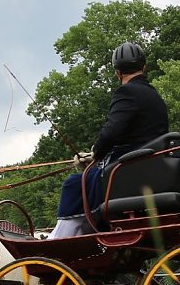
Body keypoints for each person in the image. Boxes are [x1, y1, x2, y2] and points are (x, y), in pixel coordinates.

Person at [49, 42, 169, 238]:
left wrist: (96, 154)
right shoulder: (154, 96)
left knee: (73, 184)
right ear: (144, 67)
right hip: (146, 166)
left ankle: (60, 238)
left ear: (117, 72)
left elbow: (110, 133)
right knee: (84, 181)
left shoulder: (127, 92)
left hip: (129, 170)